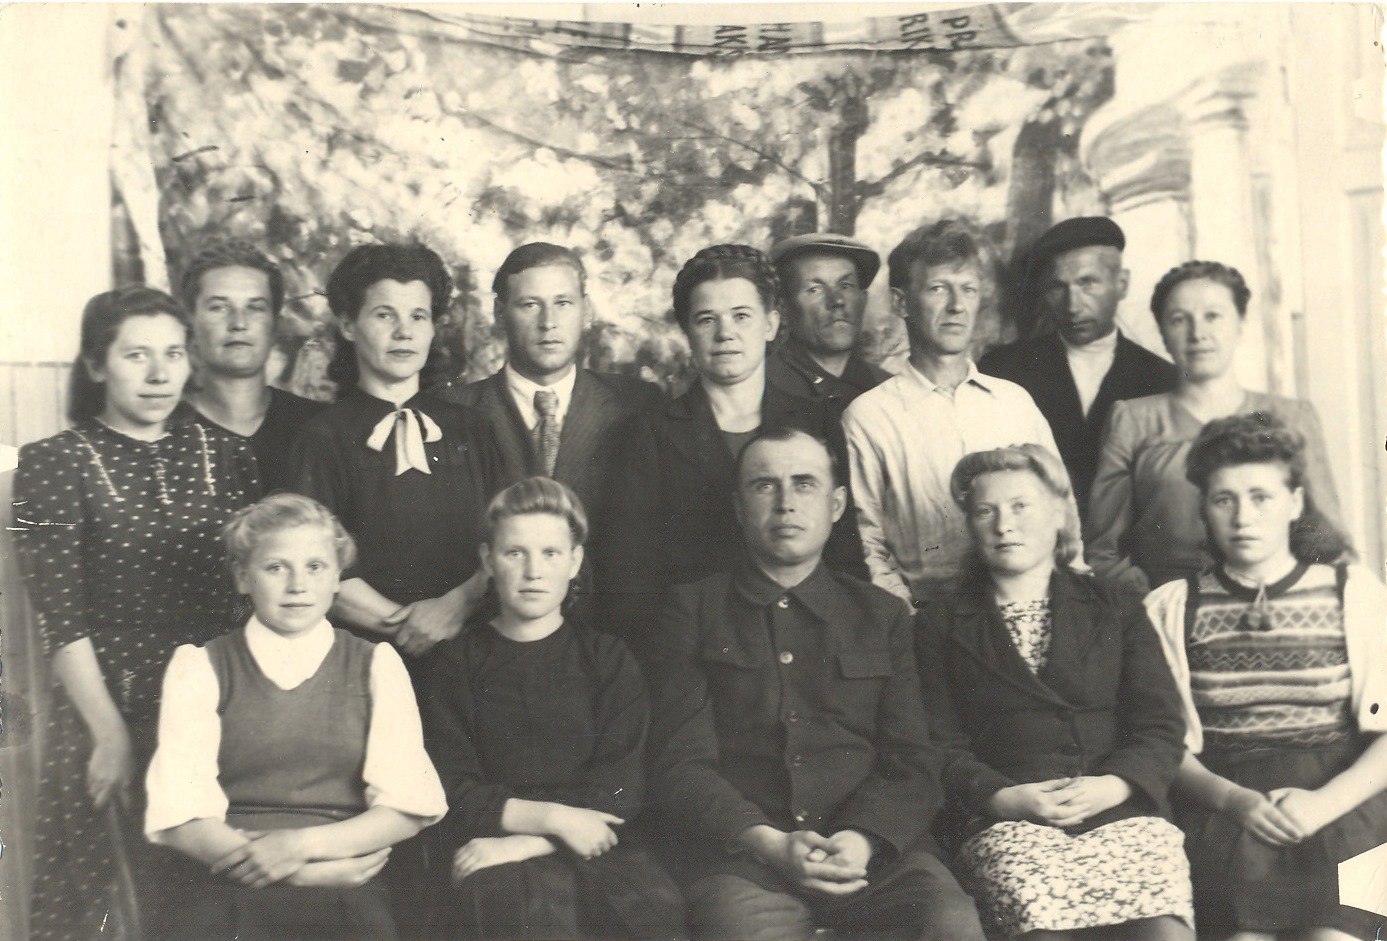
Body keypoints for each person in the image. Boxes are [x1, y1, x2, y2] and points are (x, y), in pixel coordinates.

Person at [642, 427, 985, 941]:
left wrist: (862, 839)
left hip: (876, 857)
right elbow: (680, 765)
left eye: (805, 484)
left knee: (950, 927)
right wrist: (768, 842)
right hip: (746, 858)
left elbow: (914, 759)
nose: (786, 503)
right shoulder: (690, 609)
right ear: (738, 507)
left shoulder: (882, 614)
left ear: (837, 504)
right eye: (764, 485)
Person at [13, 286, 261, 940]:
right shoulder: (50, 464)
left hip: (217, 701)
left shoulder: (228, 454)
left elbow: (250, 591)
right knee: (108, 901)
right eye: (136, 355)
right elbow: (60, 618)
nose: (158, 374)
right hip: (110, 702)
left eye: (173, 354)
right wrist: (110, 735)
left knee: (212, 896)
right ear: (96, 365)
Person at [915, 444, 1191, 940]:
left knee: (1163, 933)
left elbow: (1161, 725)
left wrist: (1115, 785)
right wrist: (1003, 799)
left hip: (1120, 808)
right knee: (1041, 927)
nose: (1004, 525)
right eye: (986, 511)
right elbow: (937, 742)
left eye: (1021, 506)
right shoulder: (940, 622)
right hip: (1007, 817)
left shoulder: (1115, 605)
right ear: (970, 524)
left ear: (1058, 514)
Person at [145, 493, 447, 940]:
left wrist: (301, 847)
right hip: (227, 877)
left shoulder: (374, 664)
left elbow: (407, 808)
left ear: (338, 577)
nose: (297, 585)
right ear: (243, 577)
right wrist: (301, 873)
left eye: (315, 567)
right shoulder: (200, 666)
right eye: (275, 568)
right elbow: (182, 818)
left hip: (344, 876)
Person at [1145, 413, 1387, 940]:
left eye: (1261, 497)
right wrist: (1235, 801)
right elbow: (1160, 742)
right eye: (1224, 499)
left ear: (1295, 503)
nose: (1243, 517)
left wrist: (1323, 805)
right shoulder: (1173, 606)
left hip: (1348, 805)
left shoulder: (1352, 592)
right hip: (1224, 810)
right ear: (1204, 509)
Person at [423, 477, 686, 940]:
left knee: (653, 911)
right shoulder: (456, 662)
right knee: (525, 915)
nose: (533, 572)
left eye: (550, 553)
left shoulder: (607, 658)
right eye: (515, 553)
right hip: (492, 846)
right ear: (488, 560)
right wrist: (551, 820)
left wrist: (537, 840)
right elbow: (451, 786)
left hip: (599, 843)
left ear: (575, 561)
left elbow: (620, 786)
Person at [601, 244, 864, 645]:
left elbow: (845, 558)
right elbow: (629, 580)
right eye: (707, 319)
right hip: (693, 644)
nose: (726, 334)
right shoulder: (647, 435)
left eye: (742, 316)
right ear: (688, 332)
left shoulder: (818, 421)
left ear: (771, 324)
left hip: (809, 641)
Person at [293, 243, 500, 685]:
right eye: (385, 315)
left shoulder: (472, 430)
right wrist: (408, 626)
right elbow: (314, 562)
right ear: (348, 325)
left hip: (476, 657)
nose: (404, 332)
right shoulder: (322, 437)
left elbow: (510, 539)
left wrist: (455, 607)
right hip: (366, 662)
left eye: (418, 316)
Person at [843, 219, 1079, 607]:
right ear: (901, 303)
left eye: (967, 289)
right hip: (924, 617)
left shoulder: (1014, 402)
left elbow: (1062, 514)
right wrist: (909, 621)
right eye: (938, 288)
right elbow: (867, 545)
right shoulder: (869, 416)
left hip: (1026, 610)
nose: (956, 306)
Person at [1087, 261, 1343, 596]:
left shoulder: (1291, 416)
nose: (1198, 334)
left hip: (1273, 601)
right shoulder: (1132, 420)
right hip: (1165, 606)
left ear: (1240, 324)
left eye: (1213, 316)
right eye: (1179, 320)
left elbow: (1329, 539)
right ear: (1162, 332)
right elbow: (1104, 551)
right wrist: (1156, 609)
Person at [438, 242, 663, 607]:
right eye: (530, 305)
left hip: (613, 625)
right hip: (491, 623)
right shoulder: (451, 412)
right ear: (499, 312)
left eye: (563, 303)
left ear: (586, 310)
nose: (548, 323)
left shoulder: (637, 405)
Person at [979, 217, 1177, 513]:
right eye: (1057, 287)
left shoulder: (1164, 379)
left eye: (1088, 283)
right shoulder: (1003, 369)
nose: (1073, 305)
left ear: (1121, 285)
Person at [180, 237, 327, 493]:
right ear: (190, 323)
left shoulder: (321, 427)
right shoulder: (162, 428)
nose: (239, 323)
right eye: (218, 307)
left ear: (275, 326)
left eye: (255, 308)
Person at [766, 232, 889, 413]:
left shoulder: (889, 389)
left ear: (863, 300)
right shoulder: (758, 385)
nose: (837, 300)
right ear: (783, 308)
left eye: (845, 286)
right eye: (815, 289)